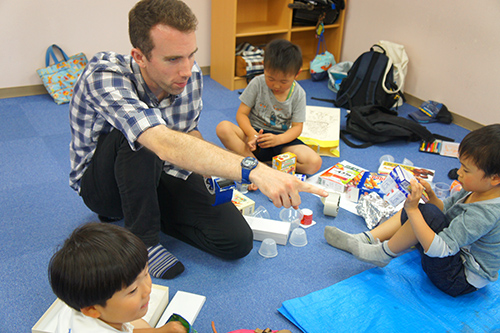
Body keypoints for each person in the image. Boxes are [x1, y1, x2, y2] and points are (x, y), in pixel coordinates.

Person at [69, 0, 327, 280]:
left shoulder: (188, 76)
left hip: (157, 171)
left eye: (191, 55)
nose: (186, 69)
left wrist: (216, 177)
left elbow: (188, 133)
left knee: (235, 241)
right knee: (141, 136)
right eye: (173, 59)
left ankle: (148, 212)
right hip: (102, 187)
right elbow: (162, 142)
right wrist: (254, 168)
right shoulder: (104, 74)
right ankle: (144, 242)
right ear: (140, 56)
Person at [324, 124, 500, 297]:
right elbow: (444, 211)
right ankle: (366, 238)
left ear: (494, 178)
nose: (459, 173)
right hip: (453, 253)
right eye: (461, 166)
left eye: (466, 170)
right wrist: (430, 195)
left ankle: (381, 254)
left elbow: (440, 249)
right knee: (423, 209)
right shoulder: (476, 188)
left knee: (421, 212)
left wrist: (414, 210)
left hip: (458, 279)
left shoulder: (485, 213)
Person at [48, 222, 188, 333]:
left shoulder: (80, 305)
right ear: (92, 309)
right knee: (138, 321)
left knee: (137, 321)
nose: (147, 290)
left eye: (146, 274)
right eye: (133, 290)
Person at [216, 39, 323, 179]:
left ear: (297, 74)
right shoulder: (257, 83)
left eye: (284, 81)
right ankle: (256, 165)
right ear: (263, 67)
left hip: (281, 142)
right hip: (254, 137)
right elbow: (241, 114)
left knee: (314, 163)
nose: (276, 86)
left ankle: (258, 163)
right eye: (270, 78)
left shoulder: (299, 93)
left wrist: (279, 140)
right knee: (223, 128)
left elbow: (297, 127)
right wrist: (251, 134)